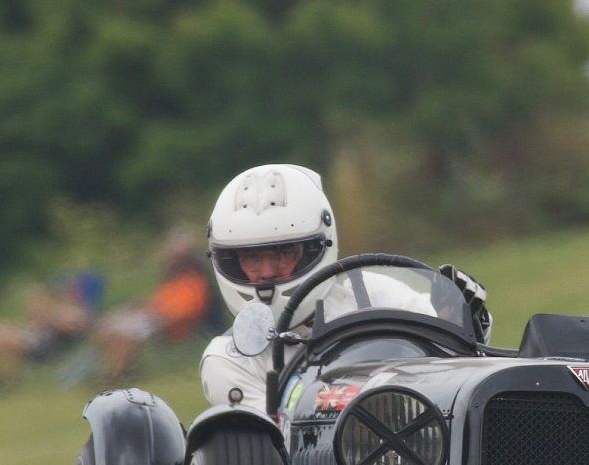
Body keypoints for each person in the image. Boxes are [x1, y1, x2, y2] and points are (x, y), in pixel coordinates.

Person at [199, 163, 454, 414]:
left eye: (283, 253)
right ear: (231, 261)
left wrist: (459, 314)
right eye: (252, 257)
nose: (267, 271)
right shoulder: (227, 360)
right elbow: (277, 434)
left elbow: (451, 365)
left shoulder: (376, 295)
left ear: (313, 250)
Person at [93, 228, 218, 383]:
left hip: (172, 324)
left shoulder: (195, 282)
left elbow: (186, 310)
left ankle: (116, 376)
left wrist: (155, 313)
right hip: (155, 318)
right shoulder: (172, 280)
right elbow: (156, 300)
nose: (171, 261)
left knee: (125, 333)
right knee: (109, 327)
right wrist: (136, 307)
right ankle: (115, 371)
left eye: (176, 258)